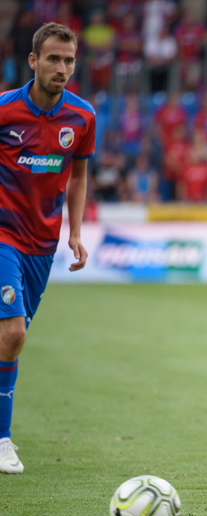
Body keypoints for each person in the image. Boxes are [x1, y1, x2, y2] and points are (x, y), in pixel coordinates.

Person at [0, 23, 94, 474]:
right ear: (33, 61)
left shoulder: (82, 117)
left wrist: (75, 232)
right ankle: (2, 439)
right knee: (13, 333)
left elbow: (78, 176)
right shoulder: (4, 110)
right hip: (4, 236)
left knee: (10, 341)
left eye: (69, 60)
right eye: (54, 59)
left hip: (43, 244)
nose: (62, 68)